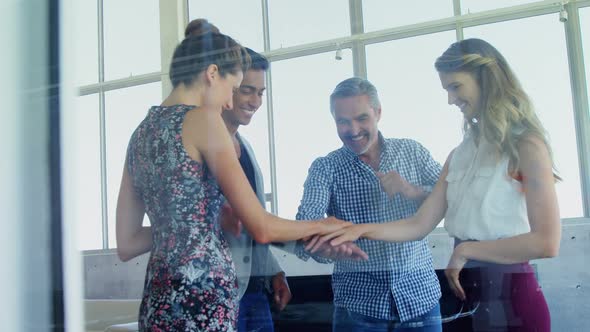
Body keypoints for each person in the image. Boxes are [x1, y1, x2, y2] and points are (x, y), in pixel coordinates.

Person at [115, 20, 350, 331]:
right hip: (204, 299)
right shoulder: (202, 120)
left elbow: (127, 243)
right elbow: (262, 228)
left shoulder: (140, 133)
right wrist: (325, 224)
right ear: (212, 74)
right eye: (233, 88)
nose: (229, 101)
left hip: (159, 301)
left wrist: (196, 221)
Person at [318, 38, 561, 332]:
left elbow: (546, 242)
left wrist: (466, 250)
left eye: (455, 87)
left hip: (515, 299)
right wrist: (359, 230)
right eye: (447, 89)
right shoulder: (459, 154)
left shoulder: (527, 146)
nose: (450, 99)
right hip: (473, 301)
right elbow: (419, 223)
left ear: (486, 79)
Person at [297, 77, 444, 331]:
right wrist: (323, 248)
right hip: (358, 308)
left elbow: (453, 198)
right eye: (342, 121)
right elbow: (304, 229)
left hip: (420, 300)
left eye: (361, 118)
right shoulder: (325, 168)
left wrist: (412, 190)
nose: (352, 130)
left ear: (378, 112)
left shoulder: (412, 152)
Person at [188, 21, 290, 330]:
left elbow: (254, 222)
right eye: (247, 90)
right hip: (214, 292)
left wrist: (273, 270)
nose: (255, 101)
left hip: (254, 292)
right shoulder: (194, 143)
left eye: (260, 93)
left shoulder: (247, 151)